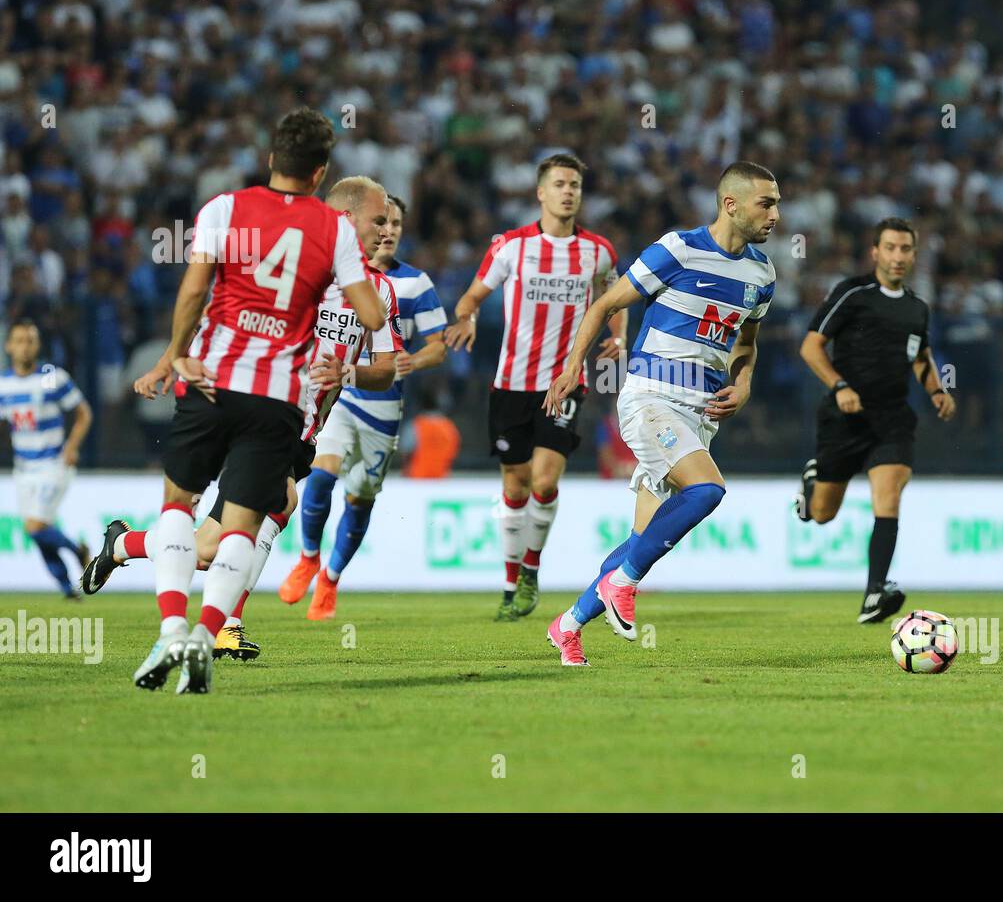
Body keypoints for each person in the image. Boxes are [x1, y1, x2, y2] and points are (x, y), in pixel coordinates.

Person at [105, 108, 386, 694]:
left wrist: (171, 357)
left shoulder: (225, 209)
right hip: (278, 398)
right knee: (242, 526)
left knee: (179, 506)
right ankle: (207, 635)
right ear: (319, 172)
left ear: (270, 160)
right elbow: (372, 314)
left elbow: (193, 288)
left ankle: (173, 631)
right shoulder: (332, 232)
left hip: (212, 379)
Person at [542, 161, 780, 666]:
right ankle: (623, 585)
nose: (776, 214)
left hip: (702, 413)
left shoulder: (762, 272)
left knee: (640, 539)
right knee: (708, 489)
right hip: (652, 398)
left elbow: (747, 345)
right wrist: (570, 369)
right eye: (767, 202)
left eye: (777, 203)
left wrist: (744, 383)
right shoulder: (679, 249)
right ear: (730, 204)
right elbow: (605, 304)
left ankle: (567, 626)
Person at [445, 154, 623, 621]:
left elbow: (616, 296)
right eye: (560, 184)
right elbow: (473, 295)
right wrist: (464, 317)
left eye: (576, 185)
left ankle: (530, 569)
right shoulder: (510, 247)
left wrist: (618, 334)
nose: (569, 192)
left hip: (564, 383)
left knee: (545, 481)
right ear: (540, 192)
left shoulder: (598, 251)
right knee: (515, 483)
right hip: (510, 385)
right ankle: (509, 579)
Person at [279, 195, 446, 619]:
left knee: (360, 499)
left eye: (395, 223)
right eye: (381, 222)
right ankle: (308, 556)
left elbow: (438, 347)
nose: (387, 231)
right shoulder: (335, 277)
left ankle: (331, 579)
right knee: (320, 475)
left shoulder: (414, 284)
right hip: (341, 397)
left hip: (384, 406)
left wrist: (413, 360)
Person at [793, 217, 956, 623]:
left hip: (892, 416)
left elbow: (920, 356)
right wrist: (839, 385)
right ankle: (813, 481)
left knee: (889, 492)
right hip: (844, 418)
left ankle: (874, 593)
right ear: (875, 252)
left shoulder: (918, 308)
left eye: (905, 249)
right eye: (890, 248)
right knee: (821, 513)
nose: (898, 257)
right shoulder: (853, 293)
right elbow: (811, 348)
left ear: (914, 255)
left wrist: (936, 389)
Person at [0, 319, 92, 597]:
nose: (25, 346)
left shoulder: (51, 377)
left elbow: (83, 413)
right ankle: (67, 586)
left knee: (35, 526)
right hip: (23, 467)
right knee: (37, 533)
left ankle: (78, 552)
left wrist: (72, 446)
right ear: (8, 346)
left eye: (30, 340)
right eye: (19, 340)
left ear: (38, 345)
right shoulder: (3, 383)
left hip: (54, 463)